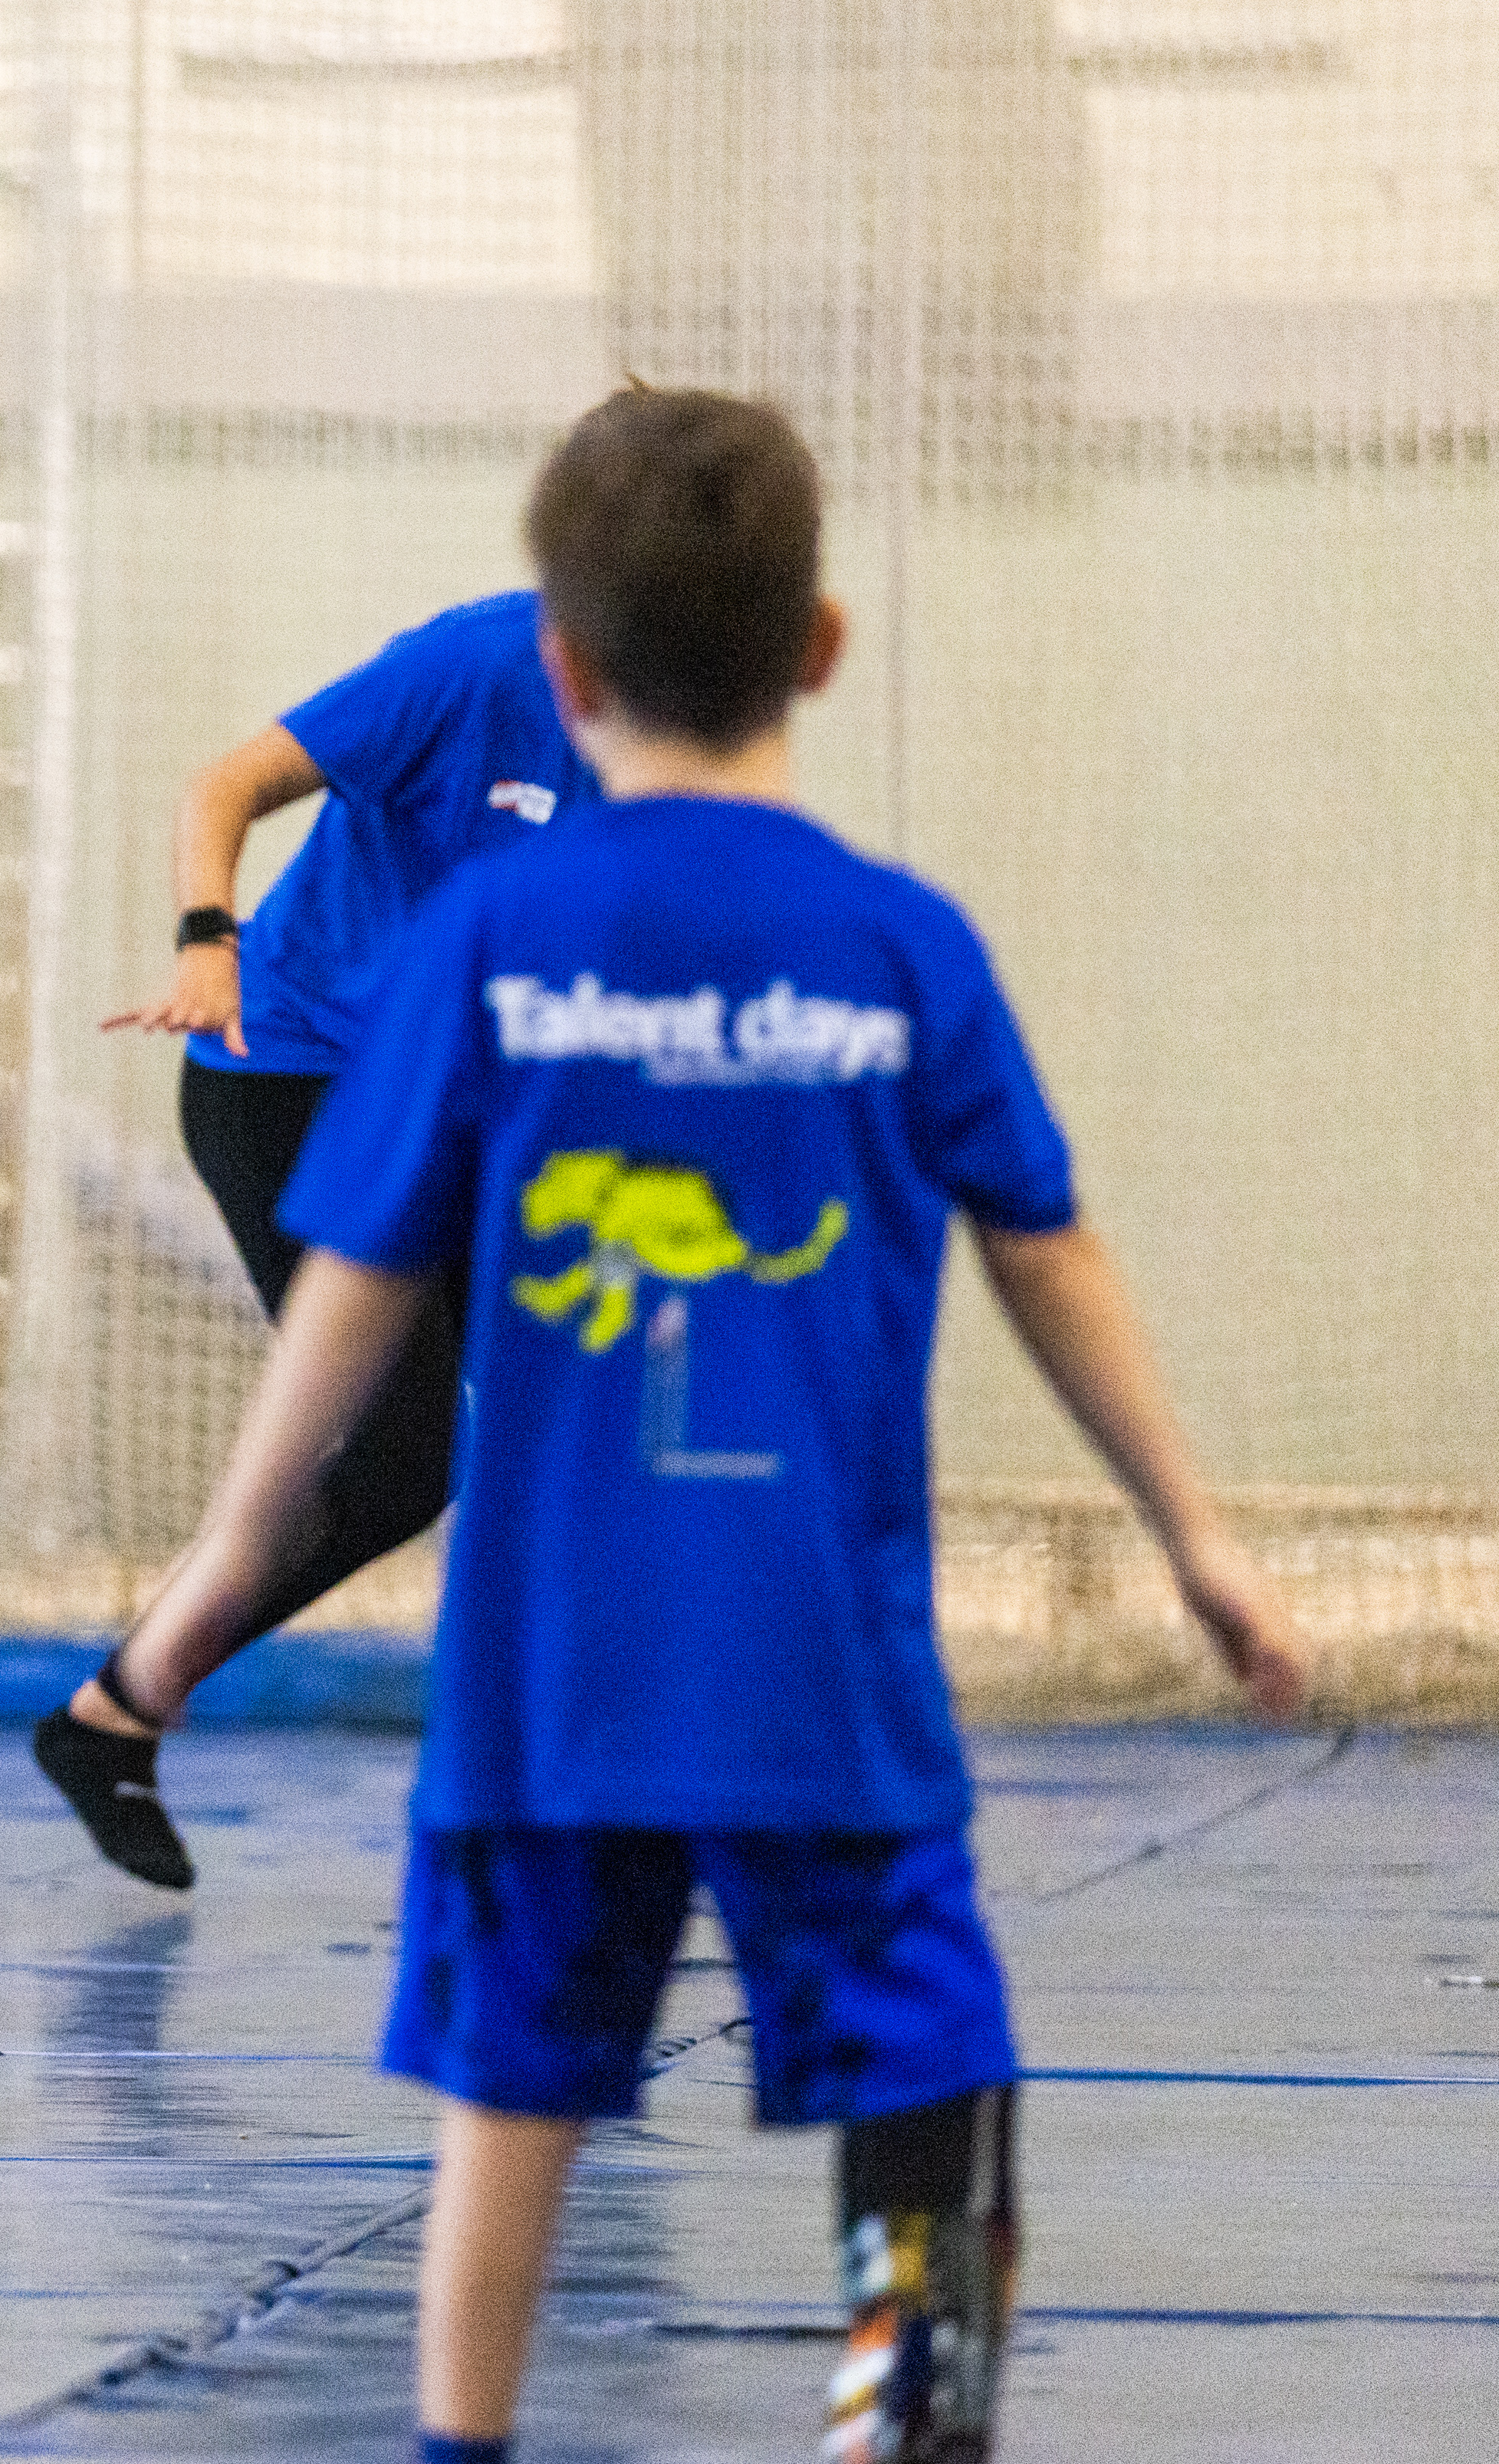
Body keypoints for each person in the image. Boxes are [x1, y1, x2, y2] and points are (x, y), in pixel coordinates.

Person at [97, 389, 1306, 2463]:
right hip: (818, 1647)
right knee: (915, 2044)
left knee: (519, 2083)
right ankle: (905, 2417)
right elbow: (1050, 1250)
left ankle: (460, 2440)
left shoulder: (484, 939)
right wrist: (1189, 1526)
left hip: (552, 1661)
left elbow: (353, 1297)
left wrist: (222, 1558)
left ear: (555, 667)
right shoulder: (897, 943)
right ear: (818, 644)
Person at [40, 592, 603, 1886]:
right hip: (289, 1078)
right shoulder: (467, 668)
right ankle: (125, 1704)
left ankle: (121, 1711)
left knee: (559, 1415)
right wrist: (208, 941)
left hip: (452, 1101)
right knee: (401, 1446)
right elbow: (225, 783)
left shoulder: (675, 731)